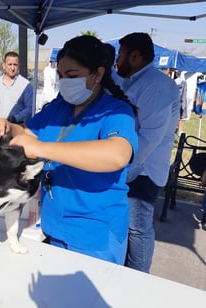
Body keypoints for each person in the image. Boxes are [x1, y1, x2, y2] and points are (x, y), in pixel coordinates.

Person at [0, 35, 138, 265]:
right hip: (55, 224)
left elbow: (117, 154)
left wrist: (43, 148)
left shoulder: (116, 112)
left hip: (95, 232)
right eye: (60, 75)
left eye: (72, 76)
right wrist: (8, 127)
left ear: (97, 74)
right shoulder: (60, 107)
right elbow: (28, 134)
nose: (64, 82)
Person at [115, 32, 180, 273]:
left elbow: (148, 139)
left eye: (121, 56)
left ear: (136, 56)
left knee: (138, 228)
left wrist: (122, 170)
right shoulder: (133, 80)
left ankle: (139, 279)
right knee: (128, 225)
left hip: (143, 170)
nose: (117, 61)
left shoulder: (155, 86)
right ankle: (127, 272)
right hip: (132, 167)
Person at [0, 51, 33, 124]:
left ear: (19, 66)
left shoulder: (26, 85)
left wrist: (15, 118)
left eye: (15, 65)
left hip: (18, 127)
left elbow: (30, 108)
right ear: (4, 65)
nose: (12, 68)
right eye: (10, 64)